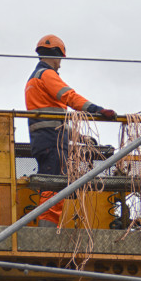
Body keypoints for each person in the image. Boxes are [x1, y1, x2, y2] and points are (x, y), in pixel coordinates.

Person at [25, 34, 117, 227]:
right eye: (60, 60)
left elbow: (56, 119)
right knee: (54, 185)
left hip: (46, 140)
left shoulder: (34, 80)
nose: (60, 65)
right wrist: (97, 110)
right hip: (52, 141)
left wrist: (80, 137)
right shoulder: (47, 75)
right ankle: (46, 232)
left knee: (53, 184)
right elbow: (70, 96)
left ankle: (47, 227)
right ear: (56, 55)